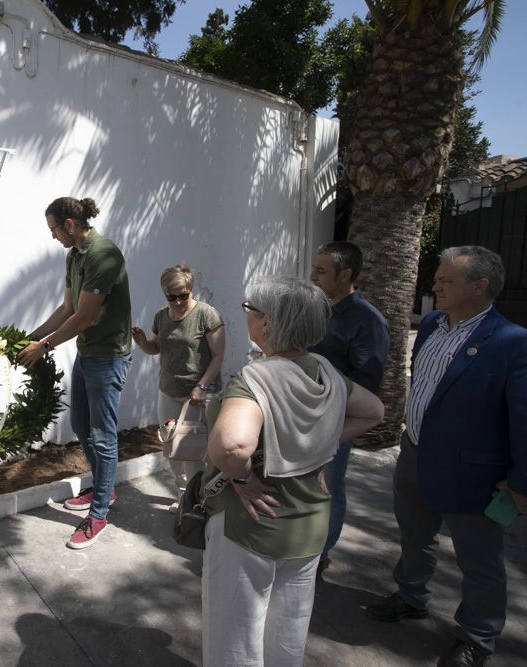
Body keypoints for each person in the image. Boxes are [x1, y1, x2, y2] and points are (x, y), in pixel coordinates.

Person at [365, 246, 527, 667]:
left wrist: (525, 485)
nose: (436, 285)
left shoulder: (519, 347)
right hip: (414, 454)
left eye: (447, 280)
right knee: (414, 536)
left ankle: (477, 636)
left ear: (479, 286)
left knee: (480, 561)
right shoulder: (431, 324)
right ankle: (411, 596)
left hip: (472, 475)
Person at [201, 277, 384, 667]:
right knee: (289, 628)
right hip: (309, 523)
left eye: (250, 309)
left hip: (252, 525)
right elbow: (373, 411)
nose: (245, 315)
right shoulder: (325, 371)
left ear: (267, 324)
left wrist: (243, 479)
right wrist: (318, 449)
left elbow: (232, 446)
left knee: (235, 636)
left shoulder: (255, 378)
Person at [18, 196, 132, 549]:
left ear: (69, 224)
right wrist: (29, 337)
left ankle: (98, 515)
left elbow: (83, 318)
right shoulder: (75, 255)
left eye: (53, 229)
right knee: (82, 427)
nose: (53, 237)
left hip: (109, 356)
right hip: (88, 353)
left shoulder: (103, 254)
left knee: (102, 435)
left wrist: (45, 347)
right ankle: (103, 490)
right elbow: (67, 307)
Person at [308, 241, 389, 574]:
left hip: (332, 422)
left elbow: (367, 383)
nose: (312, 276)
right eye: (314, 268)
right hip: (304, 417)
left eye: (321, 271)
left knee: (328, 486)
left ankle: (320, 554)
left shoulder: (367, 321)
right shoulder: (318, 307)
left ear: (345, 275)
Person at [132, 265, 225, 509]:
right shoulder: (162, 316)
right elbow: (156, 348)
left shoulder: (207, 315)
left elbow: (218, 356)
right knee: (171, 445)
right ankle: (184, 496)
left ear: (191, 289)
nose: (177, 302)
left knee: (193, 450)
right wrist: (142, 343)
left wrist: (202, 387)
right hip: (169, 391)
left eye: (183, 295)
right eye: (171, 296)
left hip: (198, 395)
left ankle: (198, 500)